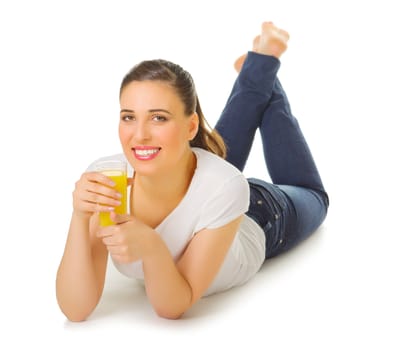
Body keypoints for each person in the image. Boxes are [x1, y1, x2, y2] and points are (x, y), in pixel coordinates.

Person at [56, 21, 329, 321]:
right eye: (128, 117)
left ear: (191, 126)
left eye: (158, 117)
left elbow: (173, 305)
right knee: (210, 165)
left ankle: (263, 74)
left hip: (259, 216)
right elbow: (75, 309)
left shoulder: (224, 185)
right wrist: (79, 218)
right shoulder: (108, 181)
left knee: (313, 196)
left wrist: (150, 245)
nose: (140, 134)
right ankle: (258, 70)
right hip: (201, 181)